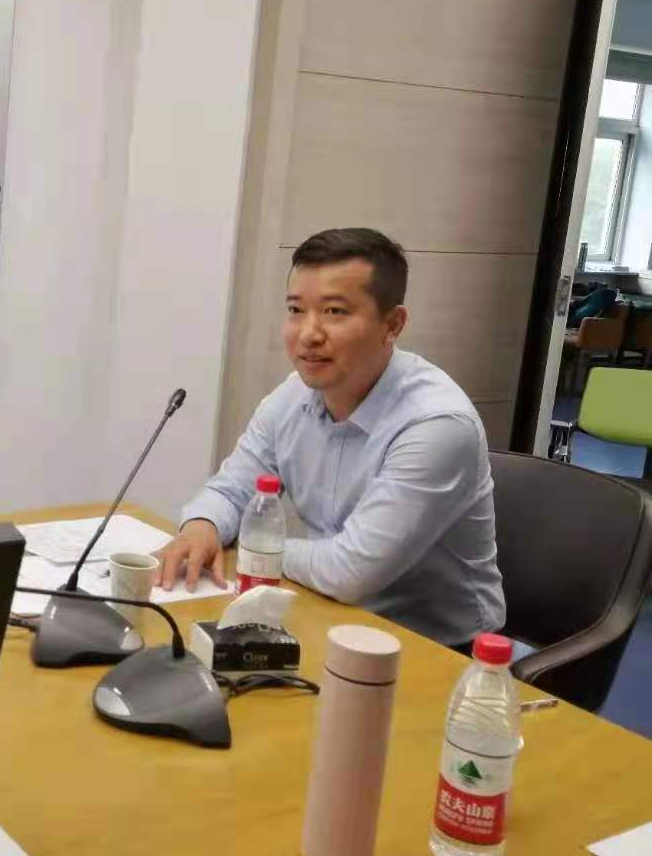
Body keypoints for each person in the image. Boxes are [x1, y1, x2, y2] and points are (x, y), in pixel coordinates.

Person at [156, 228, 504, 648]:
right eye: (296, 310)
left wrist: (244, 547)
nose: (309, 333)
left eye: (335, 312)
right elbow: (230, 492)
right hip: (327, 615)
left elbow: (350, 571)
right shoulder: (292, 397)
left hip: (440, 649)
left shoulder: (437, 425)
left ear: (392, 324)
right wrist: (203, 528)